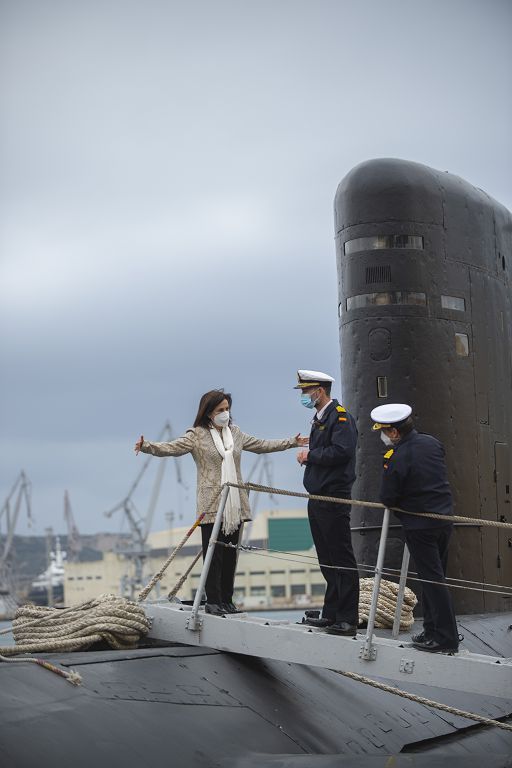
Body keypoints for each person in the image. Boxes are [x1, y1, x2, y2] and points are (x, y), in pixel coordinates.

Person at [135, 389, 307, 616]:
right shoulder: (196, 435)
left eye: (227, 409)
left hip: (235, 504)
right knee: (213, 554)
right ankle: (213, 600)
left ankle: (227, 599)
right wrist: (147, 446)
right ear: (208, 413)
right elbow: (172, 448)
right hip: (212, 503)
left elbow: (262, 445)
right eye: (220, 410)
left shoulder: (235, 433)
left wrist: (292, 443)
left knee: (230, 555)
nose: (225, 413)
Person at [370, 403, 459, 653]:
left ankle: (446, 638)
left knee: (432, 581)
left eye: (384, 431)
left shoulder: (396, 457)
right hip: (444, 520)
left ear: (395, 432)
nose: (383, 437)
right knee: (438, 578)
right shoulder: (432, 443)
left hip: (420, 527)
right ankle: (432, 630)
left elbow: (387, 497)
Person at [295, 370, 359, 636]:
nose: (303, 396)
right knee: (327, 559)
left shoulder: (341, 417)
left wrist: (310, 456)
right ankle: (331, 614)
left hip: (334, 496)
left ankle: (347, 618)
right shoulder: (320, 418)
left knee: (341, 558)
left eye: (305, 391)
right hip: (317, 497)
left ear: (318, 391)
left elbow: (342, 451)